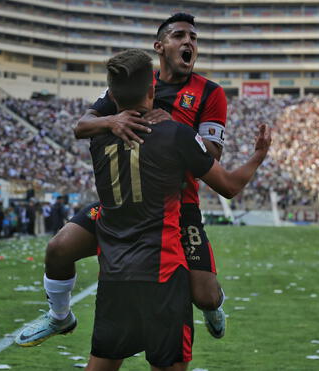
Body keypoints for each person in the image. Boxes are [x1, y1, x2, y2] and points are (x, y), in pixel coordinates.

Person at [17, 50, 271, 371]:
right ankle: (58, 316)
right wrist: (258, 155)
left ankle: (61, 314)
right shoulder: (176, 134)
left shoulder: (99, 137)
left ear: (111, 97)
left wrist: (109, 122)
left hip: (115, 275)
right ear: (152, 91)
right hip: (162, 273)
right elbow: (229, 186)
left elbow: (83, 127)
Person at [20, 13, 229, 347]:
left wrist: (175, 128)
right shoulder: (135, 80)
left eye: (193, 37)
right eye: (179, 36)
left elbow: (213, 154)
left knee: (203, 295)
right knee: (58, 248)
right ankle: (60, 318)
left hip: (177, 208)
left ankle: (215, 306)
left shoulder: (210, 93)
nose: (188, 42)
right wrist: (112, 120)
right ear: (160, 46)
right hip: (122, 201)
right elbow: (81, 125)